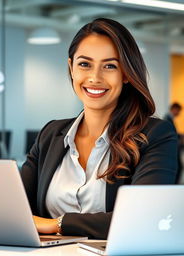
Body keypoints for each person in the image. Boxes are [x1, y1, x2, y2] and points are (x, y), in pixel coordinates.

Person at [21, 18, 178, 239]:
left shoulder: (155, 135)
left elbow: (141, 218)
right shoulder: (50, 135)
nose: (95, 77)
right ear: (71, 68)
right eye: (84, 64)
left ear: (125, 74)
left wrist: (57, 224)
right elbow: (16, 209)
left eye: (110, 66)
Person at [164, 102, 183, 183]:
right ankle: (174, 184)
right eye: (178, 111)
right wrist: (179, 137)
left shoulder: (169, 119)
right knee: (178, 166)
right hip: (173, 147)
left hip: (174, 146)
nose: (179, 113)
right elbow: (169, 133)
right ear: (174, 109)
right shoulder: (167, 119)